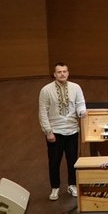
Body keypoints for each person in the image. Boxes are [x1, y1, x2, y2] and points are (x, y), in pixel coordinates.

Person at [38, 61, 86, 201]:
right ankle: (55, 188)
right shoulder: (46, 90)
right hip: (55, 132)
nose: (62, 74)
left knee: (72, 161)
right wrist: (48, 131)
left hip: (72, 130)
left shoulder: (76, 87)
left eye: (64, 71)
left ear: (68, 73)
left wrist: (81, 111)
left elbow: (80, 104)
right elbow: (43, 112)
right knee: (54, 162)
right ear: (54, 74)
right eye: (59, 72)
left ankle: (72, 185)